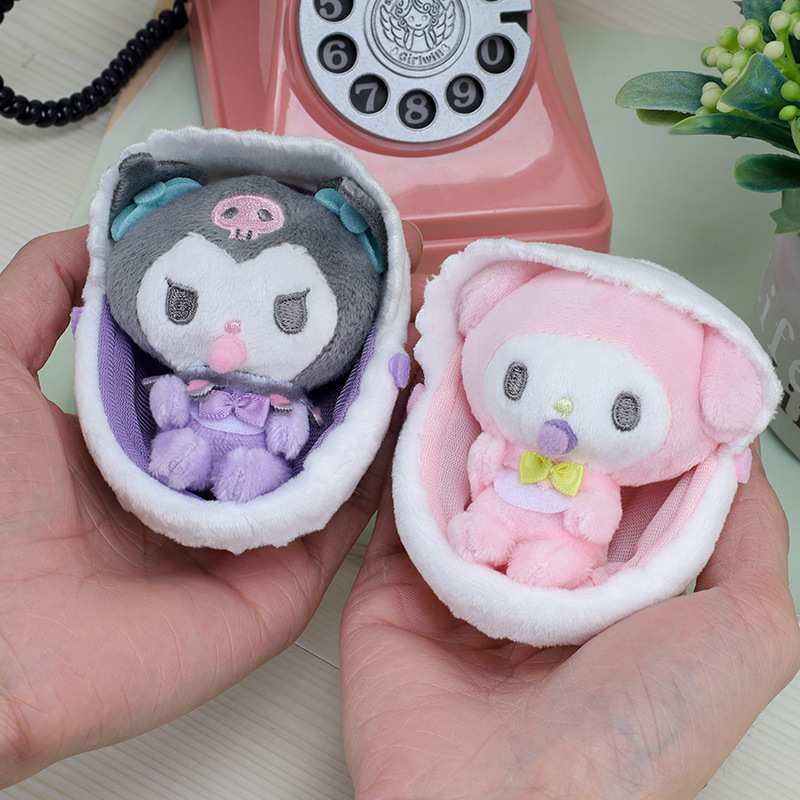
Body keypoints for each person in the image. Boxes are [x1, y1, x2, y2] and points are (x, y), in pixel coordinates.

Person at [0, 228, 797, 798]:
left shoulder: (598, 479)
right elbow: (475, 458)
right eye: (518, 382)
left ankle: (541, 558)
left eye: (623, 411)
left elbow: (598, 503)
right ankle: (485, 534)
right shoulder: (491, 438)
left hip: (554, 529)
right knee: (473, 519)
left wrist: (586, 517)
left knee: (549, 547)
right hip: (488, 505)